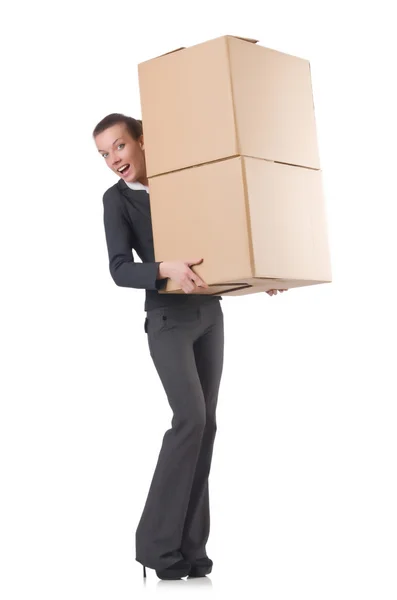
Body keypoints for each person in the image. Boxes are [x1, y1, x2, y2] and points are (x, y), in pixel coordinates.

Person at [93, 113, 287, 580]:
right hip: (167, 319)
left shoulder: (185, 182)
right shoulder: (116, 200)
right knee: (190, 419)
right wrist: (165, 268)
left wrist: (258, 276)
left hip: (209, 314)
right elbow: (120, 268)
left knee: (207, 426)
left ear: (142, 141)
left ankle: (190, 549)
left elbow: (217, 236)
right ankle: (155, 547)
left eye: (118, 147)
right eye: (103, 154)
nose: (113, 160)